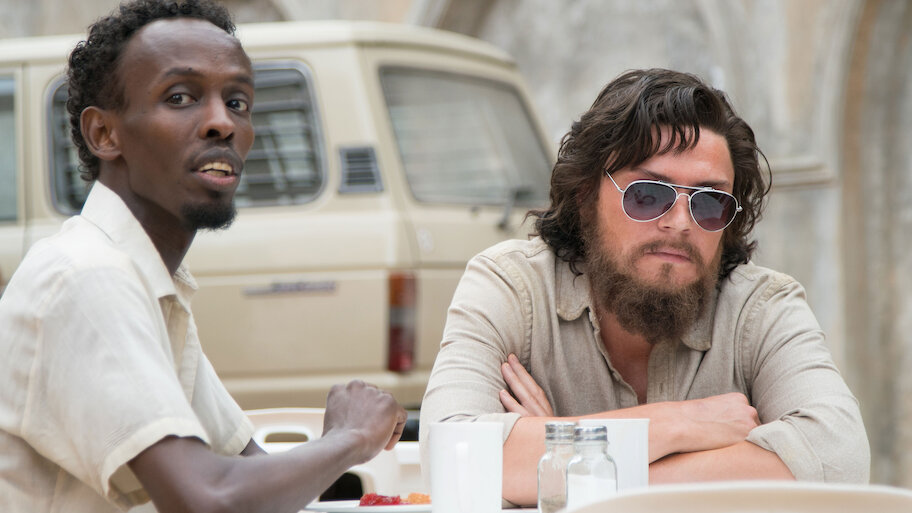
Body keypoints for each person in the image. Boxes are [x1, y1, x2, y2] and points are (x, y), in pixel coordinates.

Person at [0, 1, 406, 512]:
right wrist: (349, 439)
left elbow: (246, 472)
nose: (222, 123)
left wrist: (337, 445)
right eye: (180, 97)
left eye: (238, 102)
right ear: (104, 134)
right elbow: (210, 498)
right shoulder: (85, 277)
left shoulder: (148, 279)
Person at [419, 68, 870, 506]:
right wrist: (680, 425)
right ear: (585, 195)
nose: (680, 222)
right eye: (648, 195)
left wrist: (571, 471)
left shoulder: (763, 306)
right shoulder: (513, 286)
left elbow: (839, 458)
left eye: (710, 202)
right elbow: (449, 456)